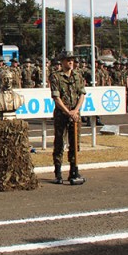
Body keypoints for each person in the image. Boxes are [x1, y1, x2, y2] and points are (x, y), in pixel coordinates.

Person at [50, 50, 86, 185]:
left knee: (75, 143)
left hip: (75, 115)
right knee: (59, 143)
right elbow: (56, 98)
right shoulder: (56, 77)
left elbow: (82, 94)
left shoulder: (78, 75)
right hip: (62, 114)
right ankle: (58, 173)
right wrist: (68, 112)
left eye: (72, 59)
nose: (71, 62)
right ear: (62, 61)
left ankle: (74, 170)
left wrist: (75, 111)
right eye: (68, 60)